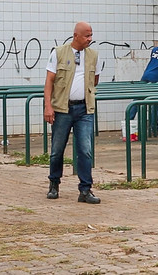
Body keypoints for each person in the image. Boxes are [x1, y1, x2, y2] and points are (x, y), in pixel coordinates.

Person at [44, 22, 103, 204]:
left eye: (91, 35)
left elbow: (95, 80)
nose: (89, 39)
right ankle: (54, 183)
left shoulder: (94, 55)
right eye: (86, 36)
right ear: (76, 35)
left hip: (84, 109)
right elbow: (49, 81)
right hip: (62, 108)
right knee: (57, 150)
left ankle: (85, 189)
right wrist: (48, 106)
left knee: (85, 150)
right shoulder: (59, 53)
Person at [128, 36, 158, 137]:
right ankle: (153, 127)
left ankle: (127, 122)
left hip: (145, 76)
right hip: (156, 79)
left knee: (137, 101)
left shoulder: (155, 50)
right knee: (154, 104)